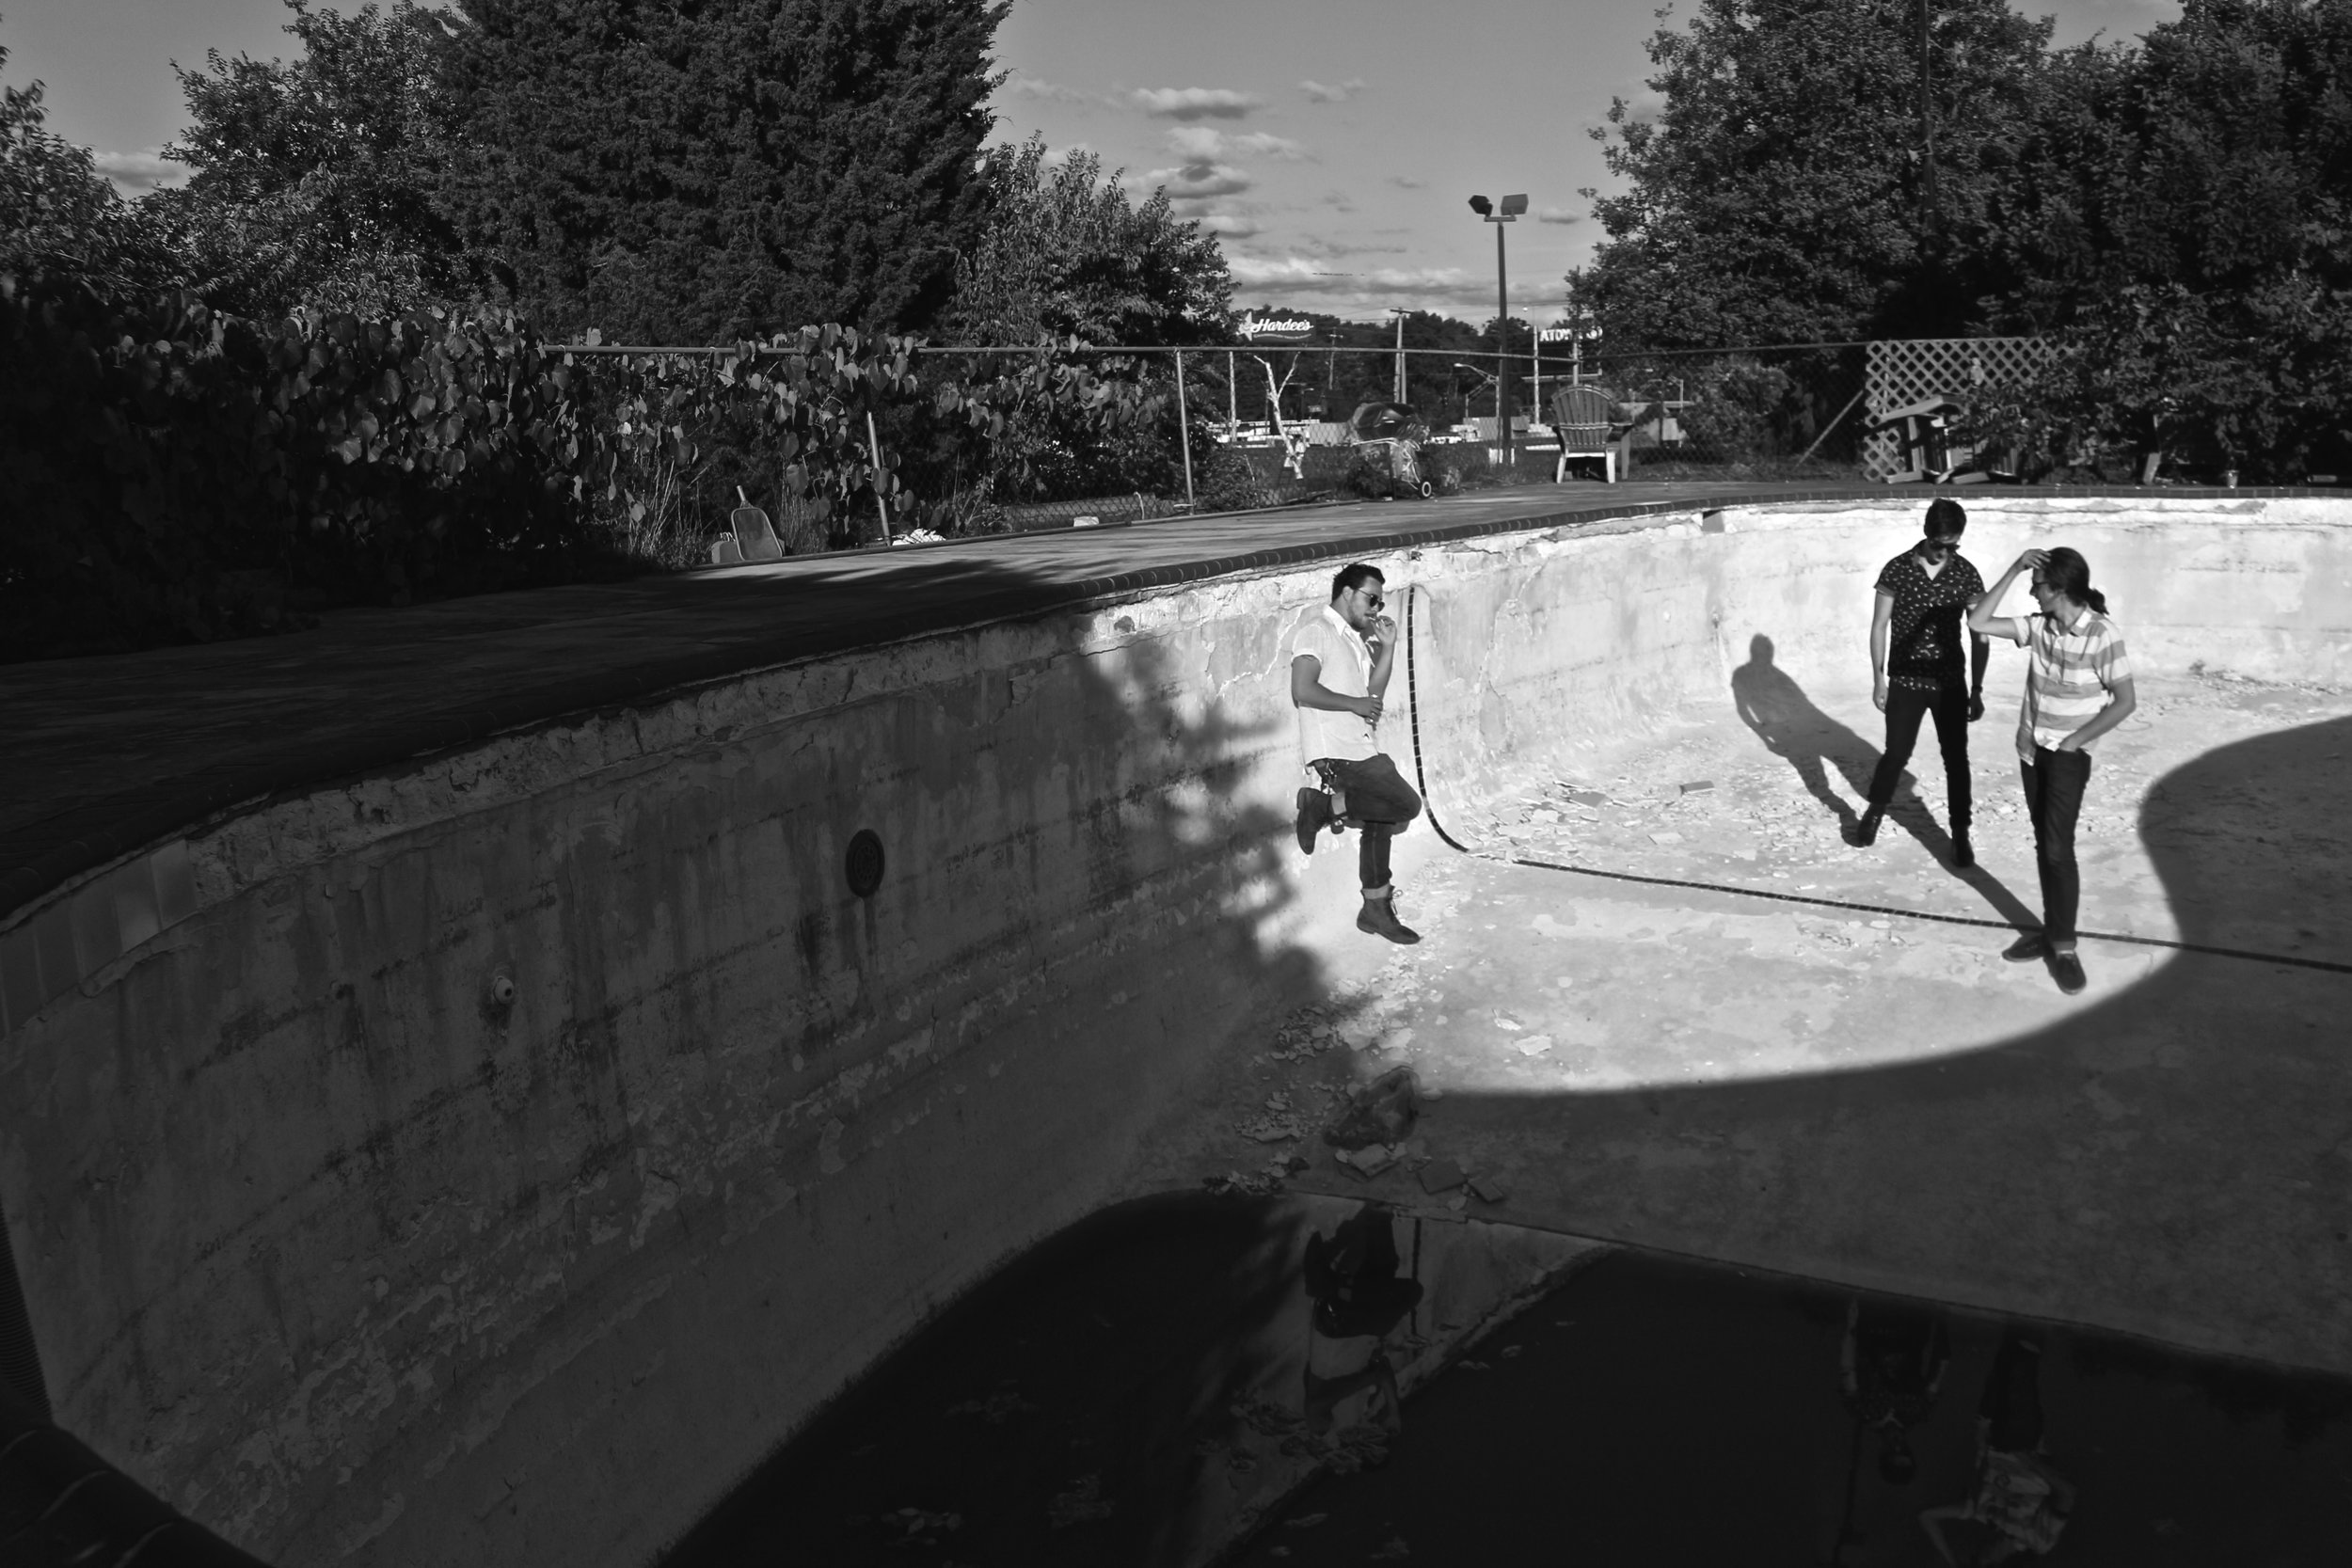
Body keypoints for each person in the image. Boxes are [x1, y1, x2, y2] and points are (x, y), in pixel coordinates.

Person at [1967, 546, 2137, 995]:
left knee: (2059, 849)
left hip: (2066, 756)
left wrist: (2075, 742)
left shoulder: (2102, 634)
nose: (2031, 591)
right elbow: (1978, 622)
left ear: (2059, 589)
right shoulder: (2039, 627)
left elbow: (2125, 701)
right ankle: (2051, 930)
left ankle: (2062, 945)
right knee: (2046, 843)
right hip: (2030, 751)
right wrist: (2015, 567)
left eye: (2038, 585)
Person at [1291, 563, 1425, 943]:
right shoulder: (1316, 632)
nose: (1376, 608)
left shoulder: (1354, 639)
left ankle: (1375, 909)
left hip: (1362, 747)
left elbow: (1373, 695)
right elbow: (1303, 688)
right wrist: (1355, 704)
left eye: (1380, 601)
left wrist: (1388, 648)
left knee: (1381, 821)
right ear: (1347, 593)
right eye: (1371, 599)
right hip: (1337, 752)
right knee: (1406, 806)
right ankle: (1323, 807)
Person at [1854, 497, 1990, 863]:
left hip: (1949, 683)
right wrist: (1878, 678)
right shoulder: (1898, 569)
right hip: (1905, 681)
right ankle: (1874, 812)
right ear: (1926, 534)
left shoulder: (1966, 573)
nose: (1944, 552)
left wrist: (1977, 688)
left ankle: (1960, 831)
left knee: (1955, 758)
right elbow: (1880, 625)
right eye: (1939, 544)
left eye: (1952, 545)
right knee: (1896, 752)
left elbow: (1980, 634)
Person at [1919, 1331, 2077, 1563]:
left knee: (2007, 1357)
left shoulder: (1984, 1514)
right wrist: (2027, 1458)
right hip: (2022, 1442)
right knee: (2021, 1365)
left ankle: (2025, 1313)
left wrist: (1951, 1561)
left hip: (1990, 1432)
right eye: (1978, 1559)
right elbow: (2067, 1493)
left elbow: (1926, 1517)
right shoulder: (2037, 1541)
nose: (1978, 1551)